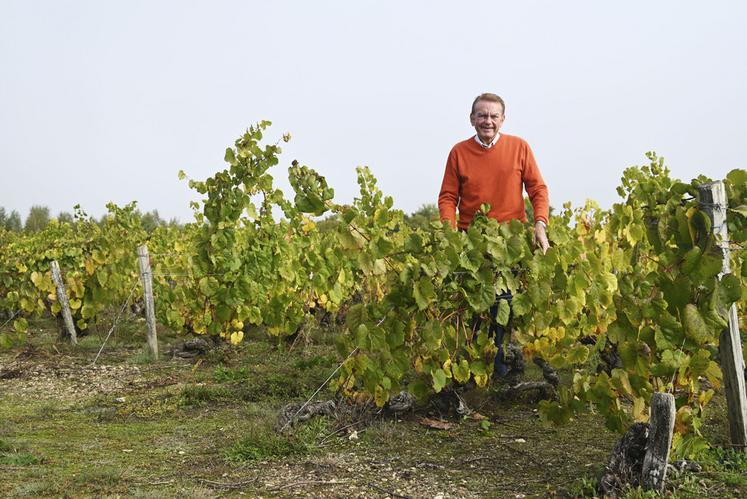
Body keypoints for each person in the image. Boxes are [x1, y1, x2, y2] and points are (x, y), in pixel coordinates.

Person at [438, 92, 549, 379]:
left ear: (502, 119)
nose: (487, 120)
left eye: (493, 115)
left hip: (509, 244)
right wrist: (450, 233)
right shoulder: (458, 152)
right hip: (470, 242)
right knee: (473, 307)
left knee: (504, 304)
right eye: (482, 115)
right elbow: (448, 197)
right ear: (472, 119)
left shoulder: (519, 147)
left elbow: (538, 189)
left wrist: (539, 224)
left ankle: (498, 371)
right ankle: (472, 372)